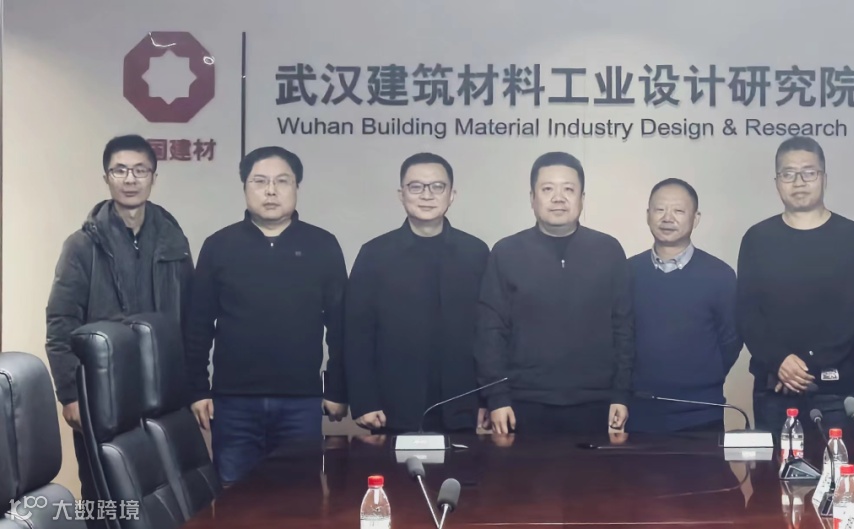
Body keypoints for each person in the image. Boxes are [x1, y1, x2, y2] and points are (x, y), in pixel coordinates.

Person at [45, 134, 194, 523]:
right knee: (104, 495)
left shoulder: (174, 240)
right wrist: (70, 394)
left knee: (162, 494)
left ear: (154, 177)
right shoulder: (82, 245)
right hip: (102, 394)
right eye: (120, 170)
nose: (130, 179)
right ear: (106, 177)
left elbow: (190, 317)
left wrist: (194, 387)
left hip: (164, 393)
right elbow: (60, 321)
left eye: (140, 170)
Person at [184, 146, 349, 485]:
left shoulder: (323, 245)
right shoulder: (219, 245)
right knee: (234, 496)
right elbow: (198, 324)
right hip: (233, 402)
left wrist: (337, 388)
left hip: (301, 401)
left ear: (296, 187)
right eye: (260, 181)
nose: (270, 191)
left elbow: (341, 326)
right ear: (245, 187)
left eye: (281, 181)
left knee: (298, 497)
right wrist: (198, 389)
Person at [476, 151, 634, 435]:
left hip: (596, 403)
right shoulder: (506, 252)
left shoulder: (608, 250)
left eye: (568, 190)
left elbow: (623, 327)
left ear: (582, 198)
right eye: (547, 189)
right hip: (523, 403)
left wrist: (621, 394)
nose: (558, 198)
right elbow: (491, 330)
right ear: (532, 198)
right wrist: (496, 397)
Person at [736, 136, 854, 445]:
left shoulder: (853, 237)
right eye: (788, 173)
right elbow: (747, 314)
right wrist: (780, 361)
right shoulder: (757, 239)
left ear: (824, 178)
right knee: (775, 475)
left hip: (834, 392)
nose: (799, 182)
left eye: (809, 172)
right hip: (774, 389)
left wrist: (805, 368)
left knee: (839, 474)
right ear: (777, 181)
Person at [344, 153, 491, 434]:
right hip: (392, 406)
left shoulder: (476, 253)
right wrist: (364, 401)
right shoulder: (375, 254)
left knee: (464, 465)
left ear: (452, 194)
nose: (427, 195)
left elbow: (487, 331)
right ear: (401, 194)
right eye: (416, 187)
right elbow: (357, 334)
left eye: (437, 186)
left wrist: (487, 398)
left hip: (462, 404)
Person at [627, 178, 742, 434]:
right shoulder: (628, 272)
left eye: (678, 211)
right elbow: (619, 337)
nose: (667, 218)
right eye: (659, 209)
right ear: (648, 215)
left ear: (695, 218)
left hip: (701, 412)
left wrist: (703, 376)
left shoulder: (720, 275)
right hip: (640, 411)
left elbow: (731, 339)